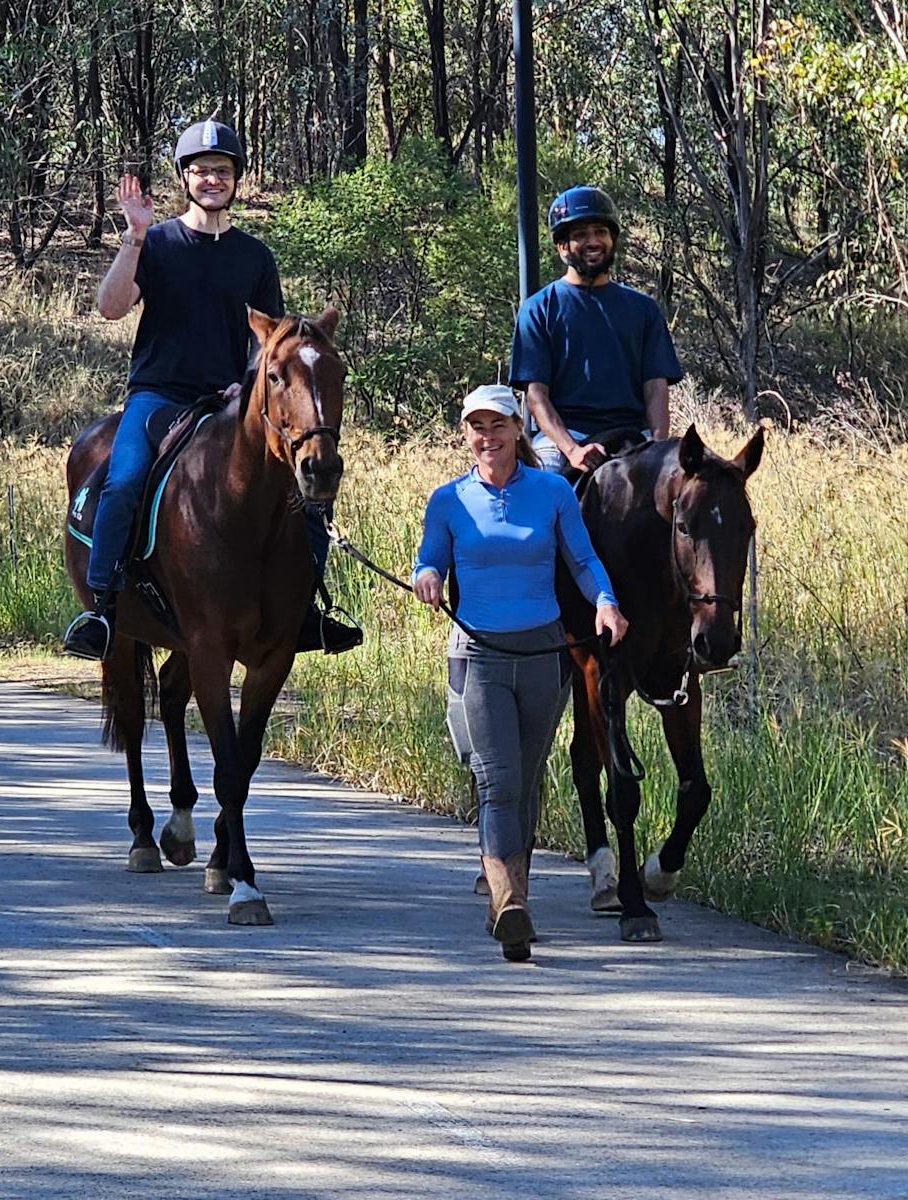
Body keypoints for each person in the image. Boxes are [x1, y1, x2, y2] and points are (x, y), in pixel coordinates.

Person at [64, 120, 361, 660]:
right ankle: (102, 610)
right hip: (158, 396)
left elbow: (270, 343)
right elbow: (110, 306)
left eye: (221, 171)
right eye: (200, 170)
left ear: (236, 179)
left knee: (302, 493)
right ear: (185, 178)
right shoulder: (156, 243)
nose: (211, 180)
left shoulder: (255, 257)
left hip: (231, 402)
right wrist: (133, 235)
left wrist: (244, 384)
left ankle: (309, 610)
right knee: (126, 479)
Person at [412, 384, 628, 962]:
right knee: (497, 780)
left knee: (527, 780)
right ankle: (506, 897)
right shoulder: (449, 500)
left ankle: (515, 905)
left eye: (498, 426)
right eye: (477, 428)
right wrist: (428, 576)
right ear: (466, 436)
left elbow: (582, 561)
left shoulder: (552, 492)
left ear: (517, 431)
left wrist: (605, 601)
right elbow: (430, 556)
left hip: (542, 656)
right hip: (478, 655)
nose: (488, 437)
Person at [509, 185, 683, 473]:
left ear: (612, 239)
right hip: (565, 438)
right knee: (539, 493)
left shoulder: (643, 309)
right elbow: (536, 395)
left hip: (633, 436)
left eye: (600, 232)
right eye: (580, 235)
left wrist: (658, 445)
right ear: (562, 246)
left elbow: (656, 387)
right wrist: (572, 450)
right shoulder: (539, 308)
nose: (593, 241)